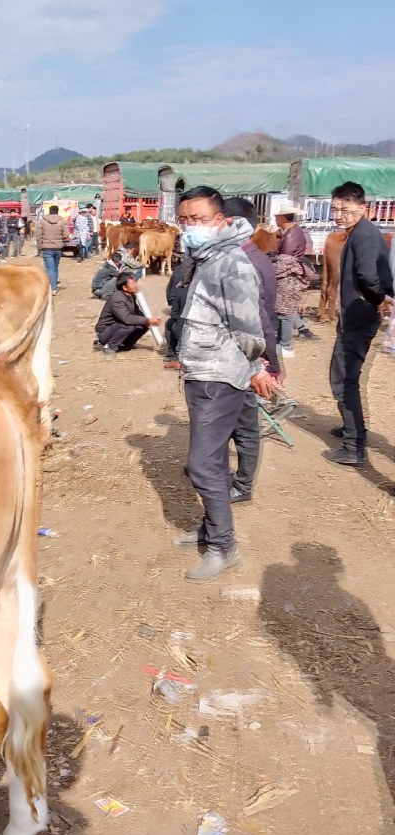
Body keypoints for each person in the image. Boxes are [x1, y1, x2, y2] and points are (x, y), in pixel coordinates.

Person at [174, 186, 277, 581]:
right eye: (184, 220)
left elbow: (249, 327)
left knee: (201, 464)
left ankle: (224, 546)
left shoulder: (231, 263)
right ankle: (210, 529)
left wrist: (255, 368)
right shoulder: (206, 256)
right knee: (213, 459)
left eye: (198, 220)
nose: (189, 227)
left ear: (219, 221)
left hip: (220, 376)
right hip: (201, 370)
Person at [324, 181, 394, 465]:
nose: (340, 215)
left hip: (359, 316)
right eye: (336, 209)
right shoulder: (359, 232)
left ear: (363, 208)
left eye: (347, 209)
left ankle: (354, 445)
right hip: (356, 313)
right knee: (344, 375)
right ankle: (350, 427)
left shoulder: (364, 235)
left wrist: (378, 298)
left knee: (343, 379)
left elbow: (367, 276)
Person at [221, 197, 281, 503]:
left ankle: (242, 485)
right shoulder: (250, 257)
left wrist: (269, 365)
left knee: (244, 425)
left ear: (231, 224)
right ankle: (214, 469)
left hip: (246, 356)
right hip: (234, 354)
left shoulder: (246, 264)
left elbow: (262, 320)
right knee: (226, 417)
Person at [275, 204, 318, 341]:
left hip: (288, 277)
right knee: (289, 308)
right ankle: (301, 330)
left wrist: (269, 271)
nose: (275, 218)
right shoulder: (293, 231)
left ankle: (284, 344)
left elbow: (284, 263)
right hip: (292, 274)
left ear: (282, 218)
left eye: (277, 216)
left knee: (285, 313)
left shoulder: (291, 236)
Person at [93, 272, 159, 355]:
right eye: (133, 283)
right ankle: (110, 346)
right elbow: (126, 319)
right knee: (129, 325)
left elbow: (137, 312)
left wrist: (148, 320)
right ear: (124, 287)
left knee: (144, 324)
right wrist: (147, 320)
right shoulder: (117, 298)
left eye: (135, 282)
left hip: (118, 327)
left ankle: (125, 344)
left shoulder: (131, 296)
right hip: (105, 332)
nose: (136, 285)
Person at [35, 205, 68, 293]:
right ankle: (54, 285)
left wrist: (39, 247)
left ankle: (51, 287)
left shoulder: (42, 221)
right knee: (55, 267)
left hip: (46, 248)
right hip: (58, 247)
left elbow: (38, 236)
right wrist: (60, 239)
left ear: (49, 211)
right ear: (57, 211)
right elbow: (66, 235)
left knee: (49, 268)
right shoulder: (62, 221)